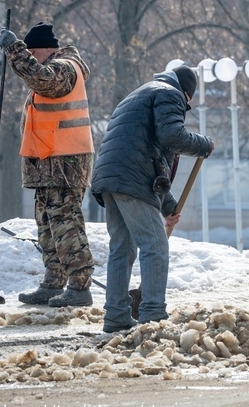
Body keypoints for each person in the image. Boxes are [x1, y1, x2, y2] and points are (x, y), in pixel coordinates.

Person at [91, 65, 214, 333]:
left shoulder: (139, 95)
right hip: (131, 178)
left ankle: (116, 316)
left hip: (110, 179)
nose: (185, 106)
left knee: (122, 249)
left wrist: (168, 206)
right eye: (188, 103)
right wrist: (204, 144)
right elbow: (172, 136)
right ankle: (153, 315)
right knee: (155, 247)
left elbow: (153, 160)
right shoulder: (169, 94)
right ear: (185, 93)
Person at [0, 22, 96, 307]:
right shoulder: (59, 67)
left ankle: (80, 287)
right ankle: (53, 283)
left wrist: (14, 50)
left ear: (41, 50)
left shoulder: (65, 68)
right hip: (48, 164)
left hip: (65, 164)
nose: (29, 57)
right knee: (48, 226)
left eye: (30, 52)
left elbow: (40, 78)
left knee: (66, 225)